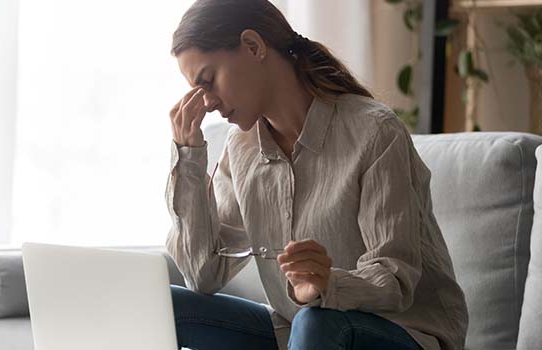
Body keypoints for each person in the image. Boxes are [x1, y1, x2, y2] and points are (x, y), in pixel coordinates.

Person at [165, 0, 468, 349]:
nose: (207, 103)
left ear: (253, 46)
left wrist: (327, 285)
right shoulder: (242, 149)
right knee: (166, 306)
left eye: (209, 81)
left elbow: (395, 278)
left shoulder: (373, 131)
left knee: (316, 320)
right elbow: (203, 275)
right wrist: (187, 160)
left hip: (402, 332)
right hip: (301, 332)